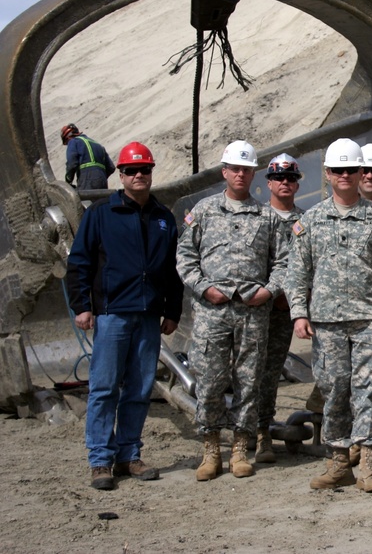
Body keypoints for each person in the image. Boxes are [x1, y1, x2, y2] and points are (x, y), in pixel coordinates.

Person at [285, 139, 372, 493]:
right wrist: (298, 313)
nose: (346, 176)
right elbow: (297, 272)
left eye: (352, 169)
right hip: (327, 322)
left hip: (371, 319)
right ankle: (338, 460)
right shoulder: (311, 220)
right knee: (334, 389)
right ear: (328, 174)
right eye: (339, 170)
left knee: (370, 391)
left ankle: (367, 462)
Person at [66, 142, 183, 490]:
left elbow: (172, 271)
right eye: (132, 171)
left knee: (139, 388)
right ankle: (100, 460)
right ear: (121, 174)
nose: (138, 176)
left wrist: (172, 310)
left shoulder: (163, 217)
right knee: (104, 388)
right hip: (113, 313)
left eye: (144, 169)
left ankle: (129, 455)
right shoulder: (101, 214)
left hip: (148, 316)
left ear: (151, 172)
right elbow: (79, 262)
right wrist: (82, 306)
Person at [176, 140, 288, 481]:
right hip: (212, 311)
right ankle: (211, 450)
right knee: (209, 380)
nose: (240, 174)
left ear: (254, 174)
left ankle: (240, 448)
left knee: (249, 380)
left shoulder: (268, 217)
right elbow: (185, 257)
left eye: (246, 169)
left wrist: (268, 291)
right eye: (234, 169)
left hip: (253, 312)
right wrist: (203, 287)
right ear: (224, 172)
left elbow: (283, 262)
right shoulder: (204, 212)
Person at [255, 153, 306, 464]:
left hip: (287, 311)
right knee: (249, 371)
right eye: (279, 178)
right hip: (257, 308)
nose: (285, 183)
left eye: (291, 178)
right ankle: (248, 429)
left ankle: (262, 431)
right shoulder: (257, 219)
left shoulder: (306, 221)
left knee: (271, 371)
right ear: (269, 183)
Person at [62, 123, 115, 190]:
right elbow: (111, 167)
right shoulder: (98, 145)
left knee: (83, 199)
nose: (67, 145)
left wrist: (68, 180)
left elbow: (71, 164)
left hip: (86, 179)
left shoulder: (73, 141)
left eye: (66, 143)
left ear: (68, 137)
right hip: (102, 181)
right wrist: (99, 176)